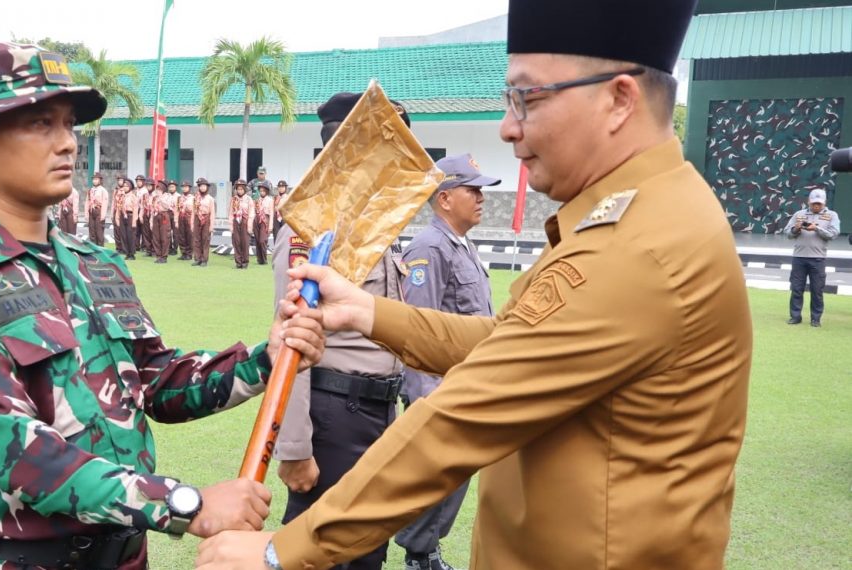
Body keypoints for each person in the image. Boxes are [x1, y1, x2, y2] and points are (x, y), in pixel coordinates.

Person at [196, 1, 754, 569]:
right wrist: (366, 311)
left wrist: (275, 551)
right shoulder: (637, 217)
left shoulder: (636, 248)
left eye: (527, 98)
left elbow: (458, 420)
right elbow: (506, 340)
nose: (508, 126)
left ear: (618, 100)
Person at [0, 41, 325, 570]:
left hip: (122, 556)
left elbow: (153, 383)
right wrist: (184, 504)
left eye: (69, 124)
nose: (67, 143)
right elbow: (7, 442)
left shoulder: (95, 262)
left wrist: (266, 359)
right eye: (41, 123)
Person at [265, 92, 410, 570]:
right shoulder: (313, 227)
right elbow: (292, 337)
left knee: (367, 549)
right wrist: (295, 448)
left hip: (375, 413)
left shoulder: (375, 227)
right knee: (320, 551)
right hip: (334, 416)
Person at [394, 153, 500, 570]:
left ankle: (427, 550)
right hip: (440, 390)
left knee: (454, 476)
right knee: (435, 475)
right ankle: (419, 555)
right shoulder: (430, 249)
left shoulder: (460, 244)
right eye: (472, 190)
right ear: (444, 198)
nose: (480, 198)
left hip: (467, 384)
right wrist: (426, 402)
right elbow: (419, 330)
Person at [784, 188, 841, 327]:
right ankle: (795, 316)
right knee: (796, 288)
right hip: (799, 258)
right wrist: (796, 229)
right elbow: (787, 232)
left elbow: (834, 234)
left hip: (818, 259)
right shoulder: (799, 214)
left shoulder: (831, 215)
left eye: (819, 203)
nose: (816, 206)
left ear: (824, 202)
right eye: (814, 203)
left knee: (817, 290)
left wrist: (816, 229)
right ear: (808, 201)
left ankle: (816, 319)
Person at [230, 180, 253, 269]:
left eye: (241, 189)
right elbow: (231, 213)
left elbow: (251, 213)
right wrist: (231, 225)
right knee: (236, 242)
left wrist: (249, 225)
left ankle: (245, 261)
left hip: (245, 221)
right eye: (238, 189)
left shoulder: (248, 199)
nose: (240, 191)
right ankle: (238, 262)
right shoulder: (234, 199)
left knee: (245, 242)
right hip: (236, 221)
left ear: (245, 190)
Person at [192, 177, 215, 267]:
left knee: (205, 240)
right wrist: (192, 223)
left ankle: (204, 260)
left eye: (204, 186)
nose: (202, 188)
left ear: (207, 187)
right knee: (196, 239)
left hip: (206, 219)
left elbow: (212, 213)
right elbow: (194, 211)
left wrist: (211, 226)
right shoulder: (196, 198)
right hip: (197, 218)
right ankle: (197, 259)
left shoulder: (210, 199)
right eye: (200, 186)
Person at [153, 180, 176, 263]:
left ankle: (164, 256)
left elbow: (168, 207)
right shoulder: (155, 197)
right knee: (156, 237)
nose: (158, 191)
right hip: (156, 216)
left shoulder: (168, 196)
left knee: (164, 236)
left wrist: (161, 199)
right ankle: (158, 255)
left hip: (164, 216)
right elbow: (153, 207)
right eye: (157, 189)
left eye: (159, 189)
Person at [87, 171, 108, 246]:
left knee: (99, 231)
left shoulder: (103, 190)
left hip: (99, 211)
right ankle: (93, 247)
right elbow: (87, 202)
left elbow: (105, 203)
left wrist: (103, 215)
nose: (94, 181)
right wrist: (86, 214)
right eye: (93, 179)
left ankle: (100, 248)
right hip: (91, 211)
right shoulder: (90, 190)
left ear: (100, 180)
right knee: (92, 231)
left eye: (96, 179)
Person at [254, 184, 274, 265]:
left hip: (265, 219)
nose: (262, 192)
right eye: (261, 191)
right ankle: (259, 259)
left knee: (263, 240)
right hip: (257, 219)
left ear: (267, 191)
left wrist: (271, 225)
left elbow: (272, 213)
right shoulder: (257, 200)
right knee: (257, 240)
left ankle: (264, 259)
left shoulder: (270, 200)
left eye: (263, 191)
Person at [120, 178, 139, 260]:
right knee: (124, 235)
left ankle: (132, 254)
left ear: (130, 187)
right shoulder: (122, 196)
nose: (125, 187)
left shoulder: (133, 196)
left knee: (130, 236)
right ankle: (127, 253)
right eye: (124, 186)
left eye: (127, 186)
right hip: (123, 216)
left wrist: (134, 221)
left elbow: (135, 209)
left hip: (130, 216)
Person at [177, 179, 195, 260]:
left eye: (186, 187)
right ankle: (183, 253)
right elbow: (177, 209)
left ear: (189, 188)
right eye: (183, 187)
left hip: (189, 217)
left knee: (189, 236)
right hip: (181, 217)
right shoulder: (179, 198)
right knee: (181, 235)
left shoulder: (193, 198)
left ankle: (189, 253)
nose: (184, 189)